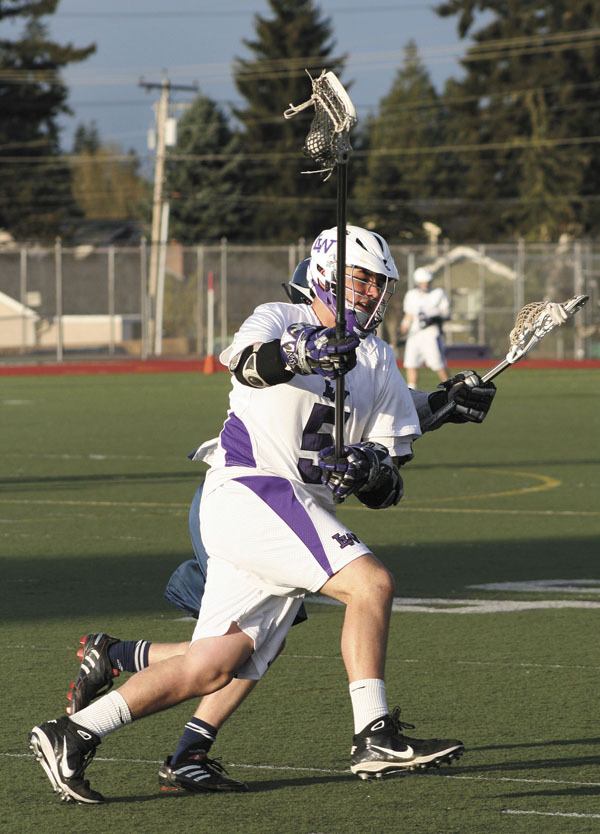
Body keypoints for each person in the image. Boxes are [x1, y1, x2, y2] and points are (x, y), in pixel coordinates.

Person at [30, 226, 494, 804]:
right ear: (326, 272)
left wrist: (376, 467)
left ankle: (73, 733)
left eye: (379, 285)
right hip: (254, 489)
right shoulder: (277, 316)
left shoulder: (376, 358)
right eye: (361, 279)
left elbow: (387, 474)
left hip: (298, 505)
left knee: (214, 666)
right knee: (371, 584)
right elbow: (247, 363)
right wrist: (305, 349)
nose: (372, 294)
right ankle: (373, 735)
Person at [400, 267, 451, 389]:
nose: (425, 285)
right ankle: (411, 390)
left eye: (427, 282)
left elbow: (446, 313)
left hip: (431, 334)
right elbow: (409, 315)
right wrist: (404, 327)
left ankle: (450, 388)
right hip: (415, 334)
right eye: (423, 283)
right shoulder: (411, 295)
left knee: (438, 364)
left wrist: (434, 318)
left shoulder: (438, 293)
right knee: (411, 363)